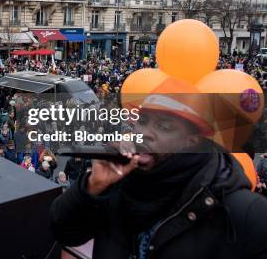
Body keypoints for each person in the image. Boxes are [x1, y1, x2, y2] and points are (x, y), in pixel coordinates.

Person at [49, 103, 267, 258]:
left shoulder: (248, 212)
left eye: (164, 127)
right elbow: (64, 231)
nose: (145, 133)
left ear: (192, 141)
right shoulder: (120, 182)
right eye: (142, 121)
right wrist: (93, 186)